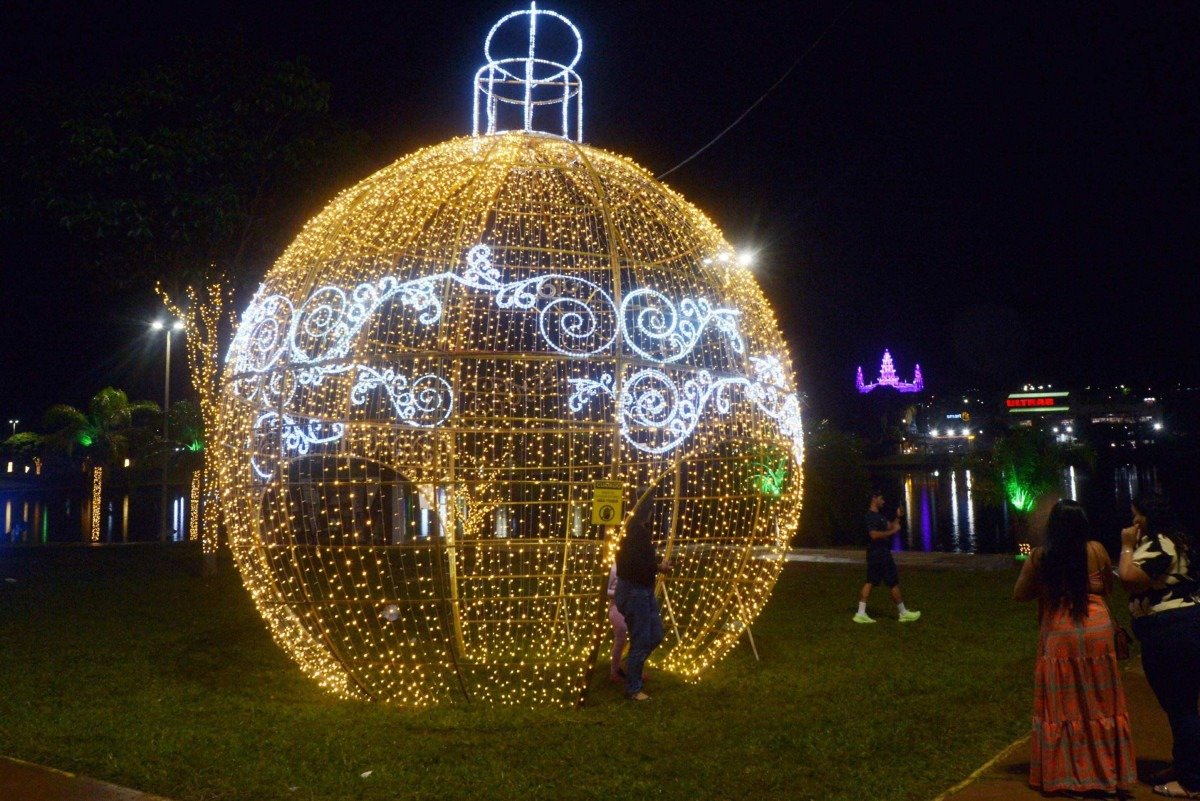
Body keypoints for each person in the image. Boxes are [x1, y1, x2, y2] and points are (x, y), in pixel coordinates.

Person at [1013, 499, 1137, 797]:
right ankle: (1106, 774)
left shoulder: (1041, 558)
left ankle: (1066, 777)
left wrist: (1048, 586)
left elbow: (1020, 594)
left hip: (1059, 633)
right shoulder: (1096, 550)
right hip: (1095, 629)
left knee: (1064, 706)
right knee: (1100, 702)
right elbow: (1107, 587)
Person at [1117, 492, 1200, 799]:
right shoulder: (1178, 539)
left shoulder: (1158, 543)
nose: (1132, 522)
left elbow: (1128, 577)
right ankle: (1184, 765)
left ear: (1149, 517)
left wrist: (1126, 547)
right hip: (1184, 626)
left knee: (1181, 707)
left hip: (1171, 632)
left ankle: (1192, 781)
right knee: (1182, 705)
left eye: (1136, 515)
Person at [614, 488, 671, 701]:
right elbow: (635, 565)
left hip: (642, 590)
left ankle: (629, 665)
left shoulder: (635, 531)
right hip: (634, 590)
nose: (652, 511)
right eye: (650, 507)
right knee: (642, 639)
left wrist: (655, 567)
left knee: (655, 634)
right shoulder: (634, 533)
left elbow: (638, 563)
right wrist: (658, 568)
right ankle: (633, 688)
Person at [853, 489, 920, 623]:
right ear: (874, 499)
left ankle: (861, 613)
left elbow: (891, 525)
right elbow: (873, 535)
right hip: (878, 553)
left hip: (880, 553)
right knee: (886, 582)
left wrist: (898, 516)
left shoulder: (880, 516)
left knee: (877, 582)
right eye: (881, 499)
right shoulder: (870, 516)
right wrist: (893, 531)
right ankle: (902, 613)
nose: (883, 501)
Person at [606, 563, 628, 683]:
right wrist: (620, 593)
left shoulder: (633, 564)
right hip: (616, 606)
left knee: (638, 638)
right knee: (621, 637)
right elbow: (605, 590)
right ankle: (614, 672)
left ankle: (629, 669)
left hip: (631, 604)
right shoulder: (614, 568)